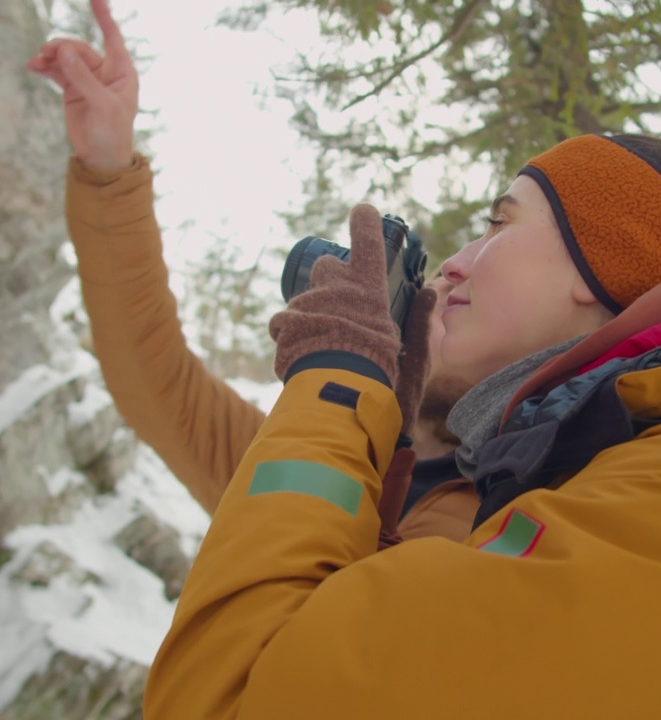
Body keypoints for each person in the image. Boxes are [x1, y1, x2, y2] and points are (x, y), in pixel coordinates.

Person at [34, 5, 661, 719]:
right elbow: (158, 386)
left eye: (500, 223)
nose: (457, 261)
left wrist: (340, 378)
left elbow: (233, 698)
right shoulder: (425, 467)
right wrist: (110, 168)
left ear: (607, 274)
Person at [26, 0, 476, 544]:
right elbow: (153, 375)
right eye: (433, 285)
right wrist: (109, 167)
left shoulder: (522, 522)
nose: (453, 273)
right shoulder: (295, 457)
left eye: (462, 298)